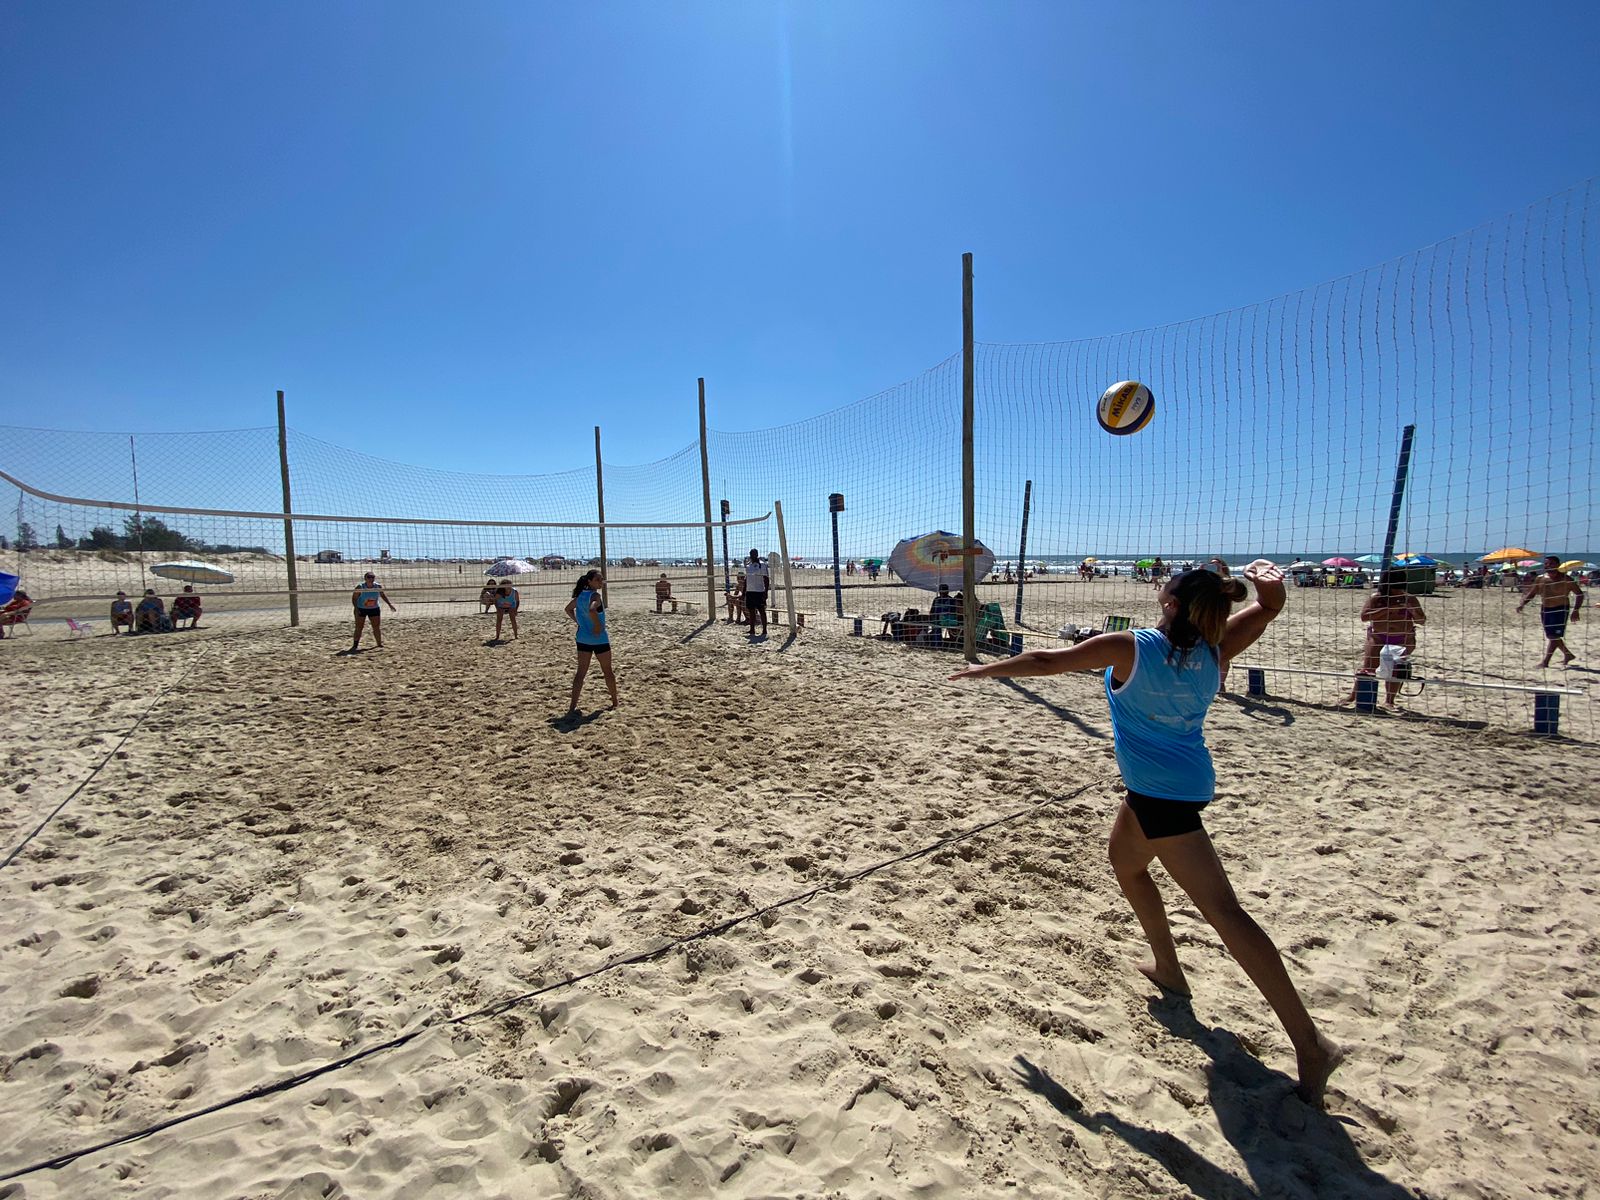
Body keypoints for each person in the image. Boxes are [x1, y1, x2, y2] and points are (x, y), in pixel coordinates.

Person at [949, 561, 1342, 1105]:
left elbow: (1046, 661)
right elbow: (1268, 608)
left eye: (1171, 583)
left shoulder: (1135, 646)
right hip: (1171, 785)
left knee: (1224, 912)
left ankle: (1310, 1042)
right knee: (1126, 863)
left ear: (1173, 602)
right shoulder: (1215, 649)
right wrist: (1270, 587)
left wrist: (984, 671)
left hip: (1164, 797)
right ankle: (1168, 967)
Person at [1342, 571, 1426, 708]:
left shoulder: (1410, 599)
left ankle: (1389, 701)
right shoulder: (1377, 598)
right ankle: (1353, 696)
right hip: (1378, 636)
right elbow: (1364, 617)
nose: (1397, 590)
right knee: (1368, 668)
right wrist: (1388, 609)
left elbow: (1421, 620)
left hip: (1403, 638)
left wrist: (1413, 611)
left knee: (1396, 669)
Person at [565, 569, 619, 712]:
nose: (601, 582)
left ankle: (572, 706)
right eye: (598, 580)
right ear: (589, 581)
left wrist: (579, 622)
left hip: (583, 638)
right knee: (607, 671)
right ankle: (615, 702)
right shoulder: (595, 596)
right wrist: (596, 625)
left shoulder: (580, 596)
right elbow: (591, 609)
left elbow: (568, 609)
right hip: (599, 639)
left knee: (580, 673)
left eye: (601, 579)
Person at [1518, 555, 1584, 668]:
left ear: (1558, 565)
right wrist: (1523, 604)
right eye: (1546, 564)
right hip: (1545, 609)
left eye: (1551, 563)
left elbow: (1579, 594)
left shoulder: (1566, 579)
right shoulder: (1541, 578)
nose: (1548, 566)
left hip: (1561, 609)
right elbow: (1532, 593)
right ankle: (1567, 654)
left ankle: (1546, 662)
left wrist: (1576, 610)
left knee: (1553, 636)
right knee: (1551, 635)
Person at [350, 571, 396, 651]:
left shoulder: (377, 586)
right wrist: (356, 609)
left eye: (372, 577)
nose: (371, 579)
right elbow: (354, 599)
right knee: (359, 627)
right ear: (365, 578)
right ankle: (355, 645)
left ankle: (379, 644)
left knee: (376, 627)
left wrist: (389, 604)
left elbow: (382, 595)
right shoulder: (360, 587)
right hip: (361, 609)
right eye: (369, 577)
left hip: (374, 609)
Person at [743, 549, 769, 637]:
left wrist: (766, 592)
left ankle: (764, 630)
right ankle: (752, 630)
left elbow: (766, 579)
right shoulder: (748, 566)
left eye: (754, 554)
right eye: (751, 554)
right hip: (750, 591)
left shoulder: (762, 565)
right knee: (751, 611)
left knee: (762, 611)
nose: (752, 555)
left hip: (760, 591)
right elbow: (746, 580)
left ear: (757, 555)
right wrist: (744, 592)